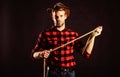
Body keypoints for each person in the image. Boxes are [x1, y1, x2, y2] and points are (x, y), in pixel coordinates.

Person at [32, 2, 103, 77]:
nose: (58, 19)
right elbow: (34, 54)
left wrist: (92, 36)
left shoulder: (73, 35)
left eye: (61, 16)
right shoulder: (45, 34)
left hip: (69, 73)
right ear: (52, 17)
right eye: (56, 16)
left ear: (65, 16)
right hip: (52, 73)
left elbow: (86, 54)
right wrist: (41, 54)